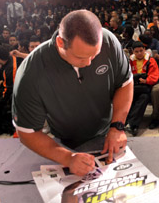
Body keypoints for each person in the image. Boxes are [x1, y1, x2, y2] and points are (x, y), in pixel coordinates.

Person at [12, 10, 133, 176]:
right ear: (60, 43)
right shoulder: (31, 73)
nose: (89, 62)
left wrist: (118, 126)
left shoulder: (109, 42)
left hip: (108, 131)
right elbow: (27, 133)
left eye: (94, 55)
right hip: (64, 141)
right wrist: (68, 158)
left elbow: (125, 83)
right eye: (81, 57)